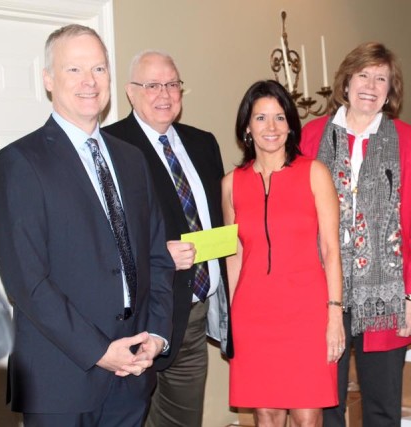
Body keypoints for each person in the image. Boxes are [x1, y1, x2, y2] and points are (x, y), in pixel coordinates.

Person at [0, 24, 174, 426]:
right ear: (48, 80)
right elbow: (28, 283)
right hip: (60, 378)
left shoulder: (132, 160)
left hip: (133, 374)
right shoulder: (18, 164)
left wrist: (156, 336)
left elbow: (158, 257)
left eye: (98, 69)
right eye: (74, 70)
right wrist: (99, 351)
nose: (89, 82)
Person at [300, 42, 411, 427]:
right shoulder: (310, 136)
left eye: (382, 79)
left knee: (381, 405)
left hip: (387, 295)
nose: (371, 86)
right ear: (346, 82)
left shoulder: (409, 141)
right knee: (327, 402)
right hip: (323, 293)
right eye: (364, 75)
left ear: (391, 90)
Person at [103, 50, 232, 427]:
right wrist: (156, 254)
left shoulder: (203, 143)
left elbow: (219, 218)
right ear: (130, 92)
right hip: (137, 318)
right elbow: (99, 237)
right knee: (129, 417)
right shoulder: (110, 147)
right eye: (152, 85)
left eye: (173, 84)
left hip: (192, 315)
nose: (165, 94)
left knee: (182, 421)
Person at [223, 80, 344, 427]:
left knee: (308, 414)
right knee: (267, 413)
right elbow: (235, 255)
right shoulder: (231, 184)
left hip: (307, 313)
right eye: (261, 118)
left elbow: (331, 249)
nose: (271, 128)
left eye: (279, 118)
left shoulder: (314, 173)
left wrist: (334, 316)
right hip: (253, 316)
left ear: (291, 124)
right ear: (247, 126)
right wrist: (231, 322)